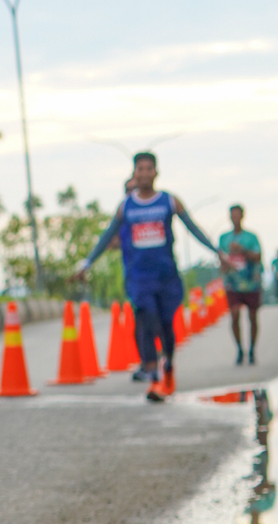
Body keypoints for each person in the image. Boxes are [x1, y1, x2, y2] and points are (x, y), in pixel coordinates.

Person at [76, 151, 224, 403]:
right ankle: (154, 375)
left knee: (166, 326)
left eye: (148, 168)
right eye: (140, 169)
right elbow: (107, 236)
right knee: (146, 319)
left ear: (156, 172)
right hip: (139, 278)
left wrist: (217, 252)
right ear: (134, 174)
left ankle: (168, 368)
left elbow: (193, 228)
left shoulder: (169, 201)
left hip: (166, 276)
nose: (144, 173)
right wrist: (87, 263)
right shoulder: (126, 206)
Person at [219, 205, 263, 366]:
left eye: (237, 215)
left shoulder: (251, 237)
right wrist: (225, 263)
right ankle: (239, 349)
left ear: (242, 216)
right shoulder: (224, 238)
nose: (235, 218)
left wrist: (242, 250)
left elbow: (258, 256)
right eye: (232, 215)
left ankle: (252, 350)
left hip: (251, 282)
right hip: (232, 283)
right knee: (235, 314)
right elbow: (221, 257)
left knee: (252, 316)